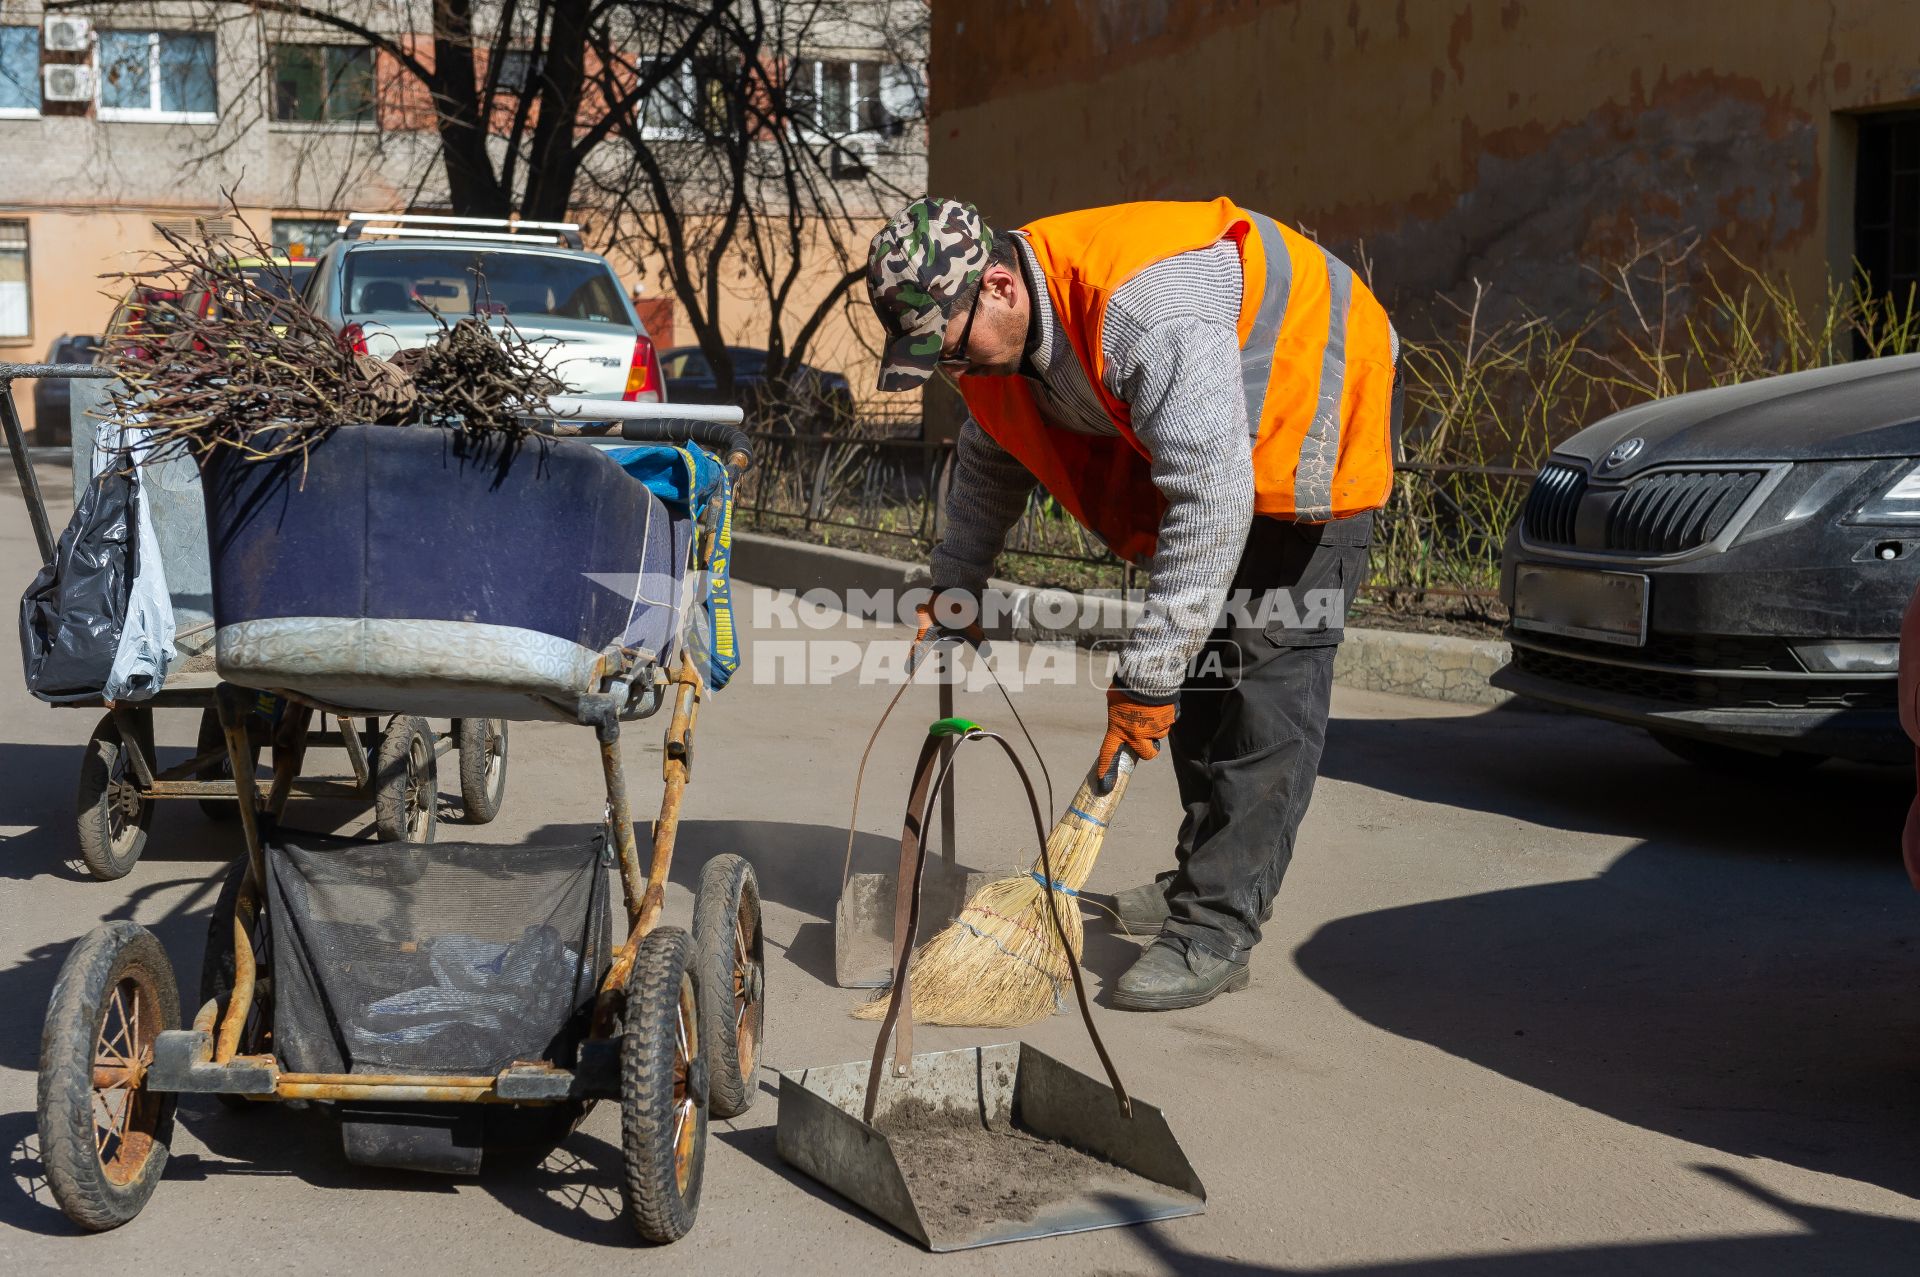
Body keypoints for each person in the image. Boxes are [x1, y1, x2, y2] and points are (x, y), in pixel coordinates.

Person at [866, 196, 1398, 1009]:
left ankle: (1216, 926)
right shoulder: (1001, 345)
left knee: (1265, 678)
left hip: (1314, 403)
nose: (953, 369)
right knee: (1201, 665)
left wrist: (1147, 676)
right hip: (1219, 438)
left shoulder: (1143, 308)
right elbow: (991, 454)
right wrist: (954, 587)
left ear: (1001, 287)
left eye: (950, 347)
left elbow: (1216, 496)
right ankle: (1200, 871)